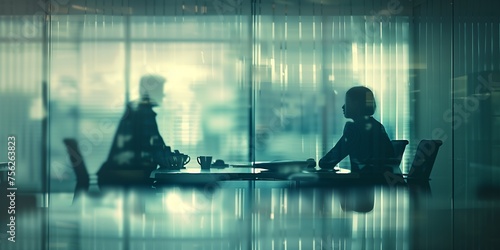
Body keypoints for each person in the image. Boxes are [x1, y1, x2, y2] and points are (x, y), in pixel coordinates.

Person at [97, 74, 172, 185]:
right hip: (126, 177)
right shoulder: (144, 112)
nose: (163, 94)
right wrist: (170, 160)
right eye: (161, 90)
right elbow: (155, 147)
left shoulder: (136, 109)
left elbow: (154, 145)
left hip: (115, 174)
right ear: (151, 91)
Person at [318, 86, 394, 173]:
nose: (343, 107)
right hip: (381, 181)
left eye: (347, 102)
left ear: (356, 104)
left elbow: (328, 161)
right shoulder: (378, 126)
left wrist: (314, 163)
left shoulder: (354, 129)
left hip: (364, 183)